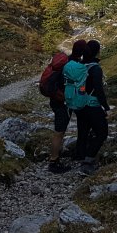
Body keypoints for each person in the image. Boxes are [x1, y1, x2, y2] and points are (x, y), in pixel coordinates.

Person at [48, 39, 86, 174]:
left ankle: (57, 157)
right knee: (59, 132)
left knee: (60, 130)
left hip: (57, 99)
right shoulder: (73, 64)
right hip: (62, 101)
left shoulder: (66, 61)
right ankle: (53, 161)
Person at [74, 39, 110, 174]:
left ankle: (80, 155)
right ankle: (88, 161)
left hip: (79, 103)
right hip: (92, 104)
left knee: (83, 131)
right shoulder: (95, 68)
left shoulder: (79, 65)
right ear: (97, 52)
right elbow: (99, 90)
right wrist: (106, 107)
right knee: (102, 132)